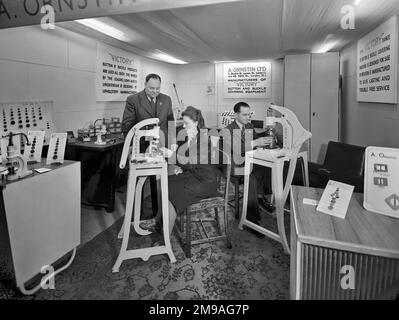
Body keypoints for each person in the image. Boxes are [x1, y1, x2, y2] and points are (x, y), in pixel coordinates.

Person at [141, 106, 219, 241]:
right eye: (183, 123)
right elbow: (191, 163)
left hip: (206, 182)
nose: (183, 126)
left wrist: (172, 154)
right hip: (195, 175)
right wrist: (181, 167)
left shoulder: (205, 139)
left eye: (186, 123)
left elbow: (193, 162)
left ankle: (165, 240)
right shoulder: (191, 136)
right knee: (166, 183)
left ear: (196, 122)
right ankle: (158, 221)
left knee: (173, 193)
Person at [122, 73, 176, 217]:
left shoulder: (166, 99)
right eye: (151, 88)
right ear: (145, 84)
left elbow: (170, 123)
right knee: (137, 182)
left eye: (157, 88)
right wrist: (145, 136)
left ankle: (157, 213)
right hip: (140, 146)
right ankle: (135, 216)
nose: (155, 91)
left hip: (161, 146)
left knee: (157, 180)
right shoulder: (133, 100)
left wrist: (172, 143)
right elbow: (127, 125)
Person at [225, 102, 273, 238]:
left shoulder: (250, 126)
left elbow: (257, 139)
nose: (248, 117)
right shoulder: (228, 129)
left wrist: (267, 136)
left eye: (249, 114)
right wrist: (255, 143)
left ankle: (261, 198)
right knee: (250, 179)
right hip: (235, 166)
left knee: (266, 167)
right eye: (245, 115)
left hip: (248, 162)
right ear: (236, 114)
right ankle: (252, 220)